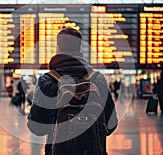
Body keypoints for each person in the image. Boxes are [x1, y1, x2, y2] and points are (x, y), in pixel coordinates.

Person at [27, 27, 118, 155]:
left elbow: (36, 127)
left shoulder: (47, 81)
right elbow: (111, 124)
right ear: (79, 48)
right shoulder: (97, 79)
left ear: (58, 48)